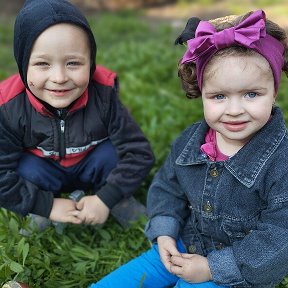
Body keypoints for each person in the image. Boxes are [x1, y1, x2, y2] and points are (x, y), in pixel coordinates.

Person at [90, 9, 288, 288]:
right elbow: (168, 187)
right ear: (202, 93)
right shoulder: (190, 143)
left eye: (251, 94)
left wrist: (212, 268)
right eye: (219, 96)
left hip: (237, 271)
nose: (234, 110)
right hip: (185, 245)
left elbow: (280, 235)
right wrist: (165, 234)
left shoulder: (281, 162)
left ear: (274, 90)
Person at [0, 0, 154, 229]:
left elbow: (139, 153)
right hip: (43, 172)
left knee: (112, 154)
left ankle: (118, 200)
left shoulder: (103, 95)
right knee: (23, 167)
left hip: (92, 163)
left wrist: (107, 197)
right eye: (43, 64)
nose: (60, 77)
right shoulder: (10, 106)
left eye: (73, 63)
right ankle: (39, 209)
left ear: (91, 63)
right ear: (24, 65)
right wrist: (46, 205)